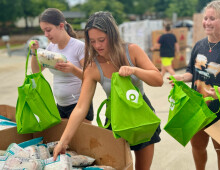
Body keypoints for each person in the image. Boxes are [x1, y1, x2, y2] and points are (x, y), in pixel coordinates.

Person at [53, 11, 163, 170]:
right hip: (115, 119)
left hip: (141, 116)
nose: (97, 46)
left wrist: (134, 70)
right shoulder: (92, 66)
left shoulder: (132, 51)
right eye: (92, 41)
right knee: (118, 166)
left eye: (102, 40)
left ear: (112, 35)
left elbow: (158, 80)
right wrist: (63, 141)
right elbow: (81, 107)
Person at [168, 1, 220, 170]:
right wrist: (181, 77)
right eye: (205, 18)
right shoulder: (199, 45)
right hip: (198, 109)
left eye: (212, 18)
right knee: (197, 147)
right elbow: (192, 71)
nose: (207, 22)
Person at [30, 8, 94, 123]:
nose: (46, 35)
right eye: (43, 31)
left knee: (81, 140)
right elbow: (36, 71)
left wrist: (73, 69)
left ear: (60, 26)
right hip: (60, 105)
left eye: (48, 30)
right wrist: (34, 52)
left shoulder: (79, 47)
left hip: (79, 104)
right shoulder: (51, 47)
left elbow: (92, 78)